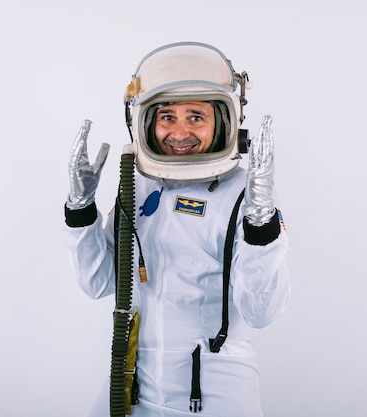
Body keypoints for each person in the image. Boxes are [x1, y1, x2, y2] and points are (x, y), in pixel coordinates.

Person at [64, 42, 291, 417]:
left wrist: (261, 224)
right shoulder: (138, 184)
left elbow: (261, 311)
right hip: (133, 377)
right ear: (144, 122)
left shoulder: (246, 194)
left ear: (225, 121)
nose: (179, 131)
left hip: (214, 387)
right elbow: (100, 282)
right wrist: (80, 209)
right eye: (166, 116)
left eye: (196, 117)